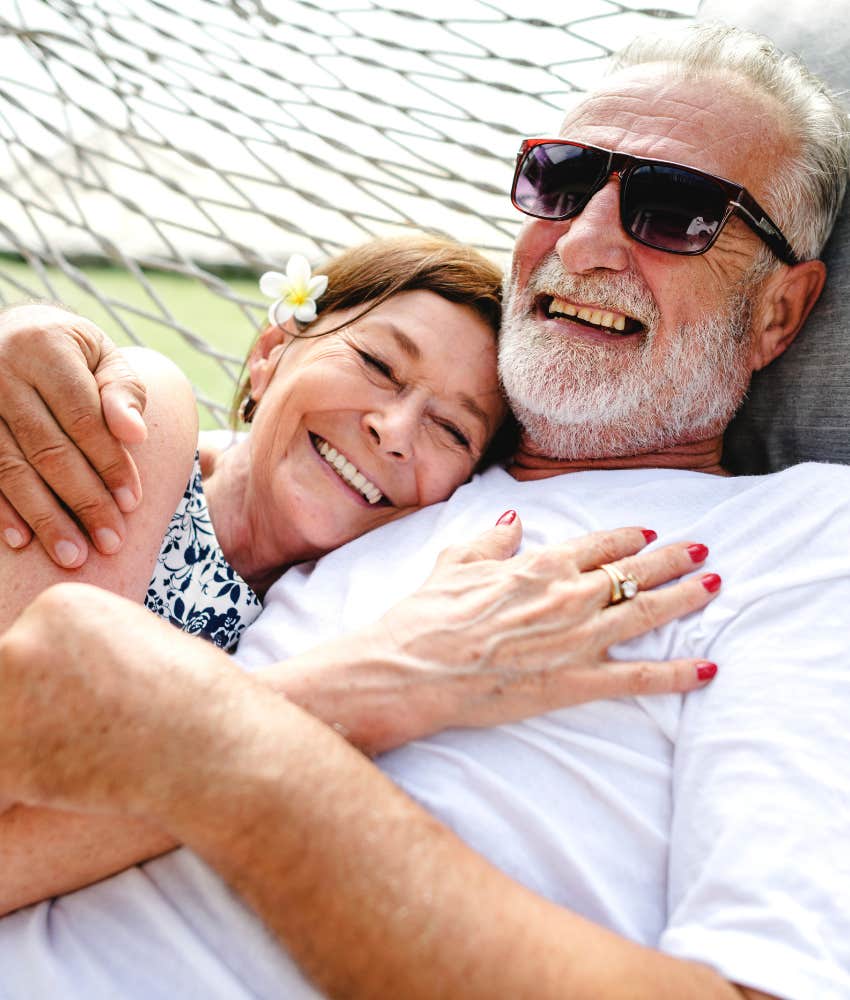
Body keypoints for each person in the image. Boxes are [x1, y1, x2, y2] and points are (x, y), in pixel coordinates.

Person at [1, 19, 849, 1000]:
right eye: (561, 181)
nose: (581, 240)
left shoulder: (807, 542)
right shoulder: (380, 499)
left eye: (674, 210)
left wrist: (224, 750)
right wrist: (47, 352)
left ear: (779, 310)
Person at [0, 233, 719, 905]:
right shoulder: (141, 418)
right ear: (270, 352)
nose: (394, 431)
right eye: (377, 365)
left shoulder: (310, 620)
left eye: (451, 429)